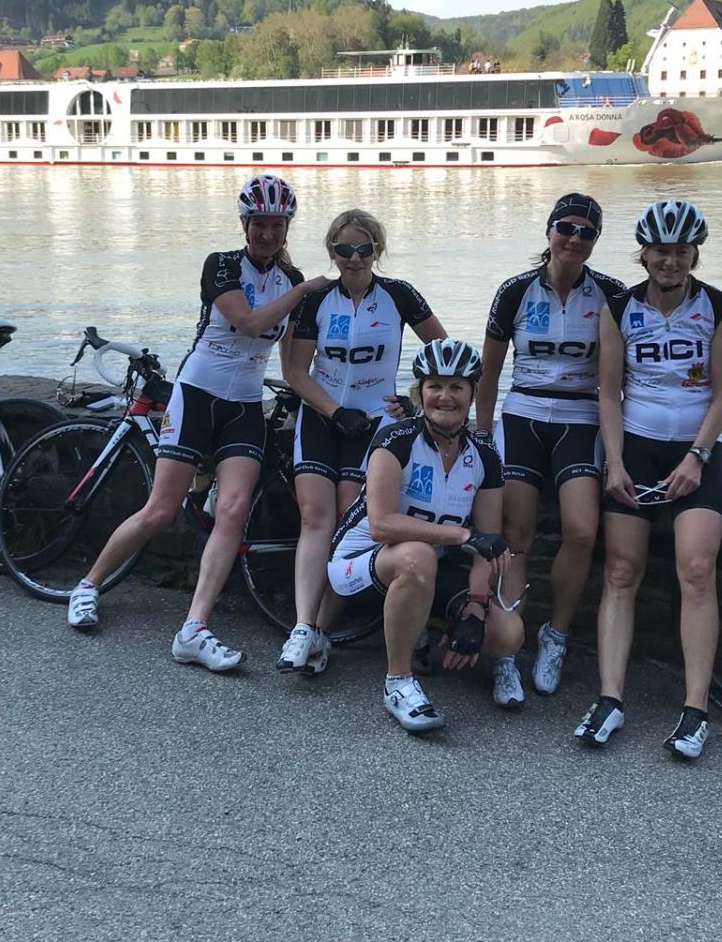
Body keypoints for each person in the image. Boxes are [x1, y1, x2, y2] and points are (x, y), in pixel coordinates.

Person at [66, 174, 333, 670]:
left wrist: (311, 390)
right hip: (197, 394)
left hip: (245, 404)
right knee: (161, 509)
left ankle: (193, 629)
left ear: (287, 228)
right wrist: (304, 291)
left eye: (277, 225)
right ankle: (88, 585)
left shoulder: (288, 279)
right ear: (244, 224)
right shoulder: (222, 264)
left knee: (232, 511)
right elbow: (248, 323)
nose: (268, 234)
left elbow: (290, 353)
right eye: (259, 224)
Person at [575, 200, 722, 760]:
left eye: (681, 252)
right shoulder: (619, 308)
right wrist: (615, 462)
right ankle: (609, 699)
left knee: (697, 570)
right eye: (661, 251)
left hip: (696, 449)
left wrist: (696, 457)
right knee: (621, 572)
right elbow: (609, 393)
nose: (670, 261)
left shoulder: (717, 306)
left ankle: (695, 710)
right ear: (643, 254)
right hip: (637, 449)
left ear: (695, 255)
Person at [276, 209, 447, 675]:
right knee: (315, 517)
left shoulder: (399, 294)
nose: (353, 258)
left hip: (374, 422)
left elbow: (442, 354)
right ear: (331, 251)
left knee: (350, 525)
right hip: (322, 417)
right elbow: (295, 372)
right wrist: (335, 411)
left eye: (363, 249)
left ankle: (322, 631)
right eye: (343, 249)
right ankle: (302, 628)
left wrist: (416, 401)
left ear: (377, 250)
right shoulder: (316, 300)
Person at [325, 339, 523, 733]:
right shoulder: (396, 439)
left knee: (508, 635)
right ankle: (398, 682)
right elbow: (382, 525)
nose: (445, 397)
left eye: (456, 387)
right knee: (418, 556)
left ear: (473, 393)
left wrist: (475, 608)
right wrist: (462, 534)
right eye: (435, 386)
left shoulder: (483, 455)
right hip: (360, 561)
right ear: (420, 392)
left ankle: (420, 630)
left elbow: (488, 541)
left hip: (427, 566)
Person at [476, 193, 626, 706]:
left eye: (587, 233)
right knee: (516, 536)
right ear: (549, 231)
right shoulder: (515, 290)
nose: (575, 239)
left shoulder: (610, 293)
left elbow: (622, 377)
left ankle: (555, 635)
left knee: (582, 531)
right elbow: (489, 371)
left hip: (580, 417)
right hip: (523, 414)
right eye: (567, 228)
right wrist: (482, 437)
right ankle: (505, 649)